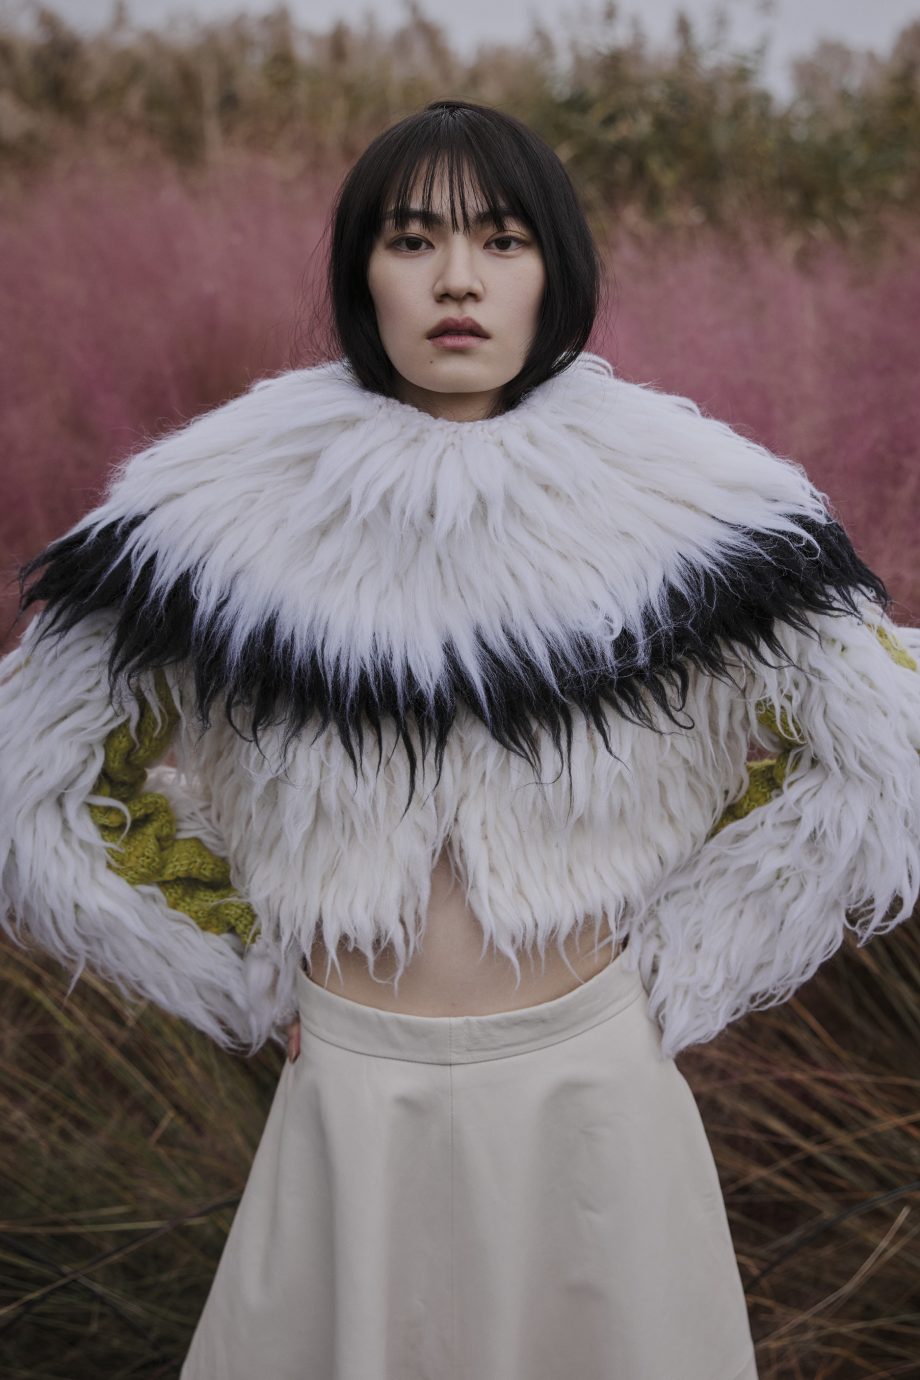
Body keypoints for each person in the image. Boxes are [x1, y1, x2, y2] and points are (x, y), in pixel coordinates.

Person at [2, 98, 919, 1380]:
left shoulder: (693, 507)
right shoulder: (216, 519)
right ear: (360, 271)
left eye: (500, 239)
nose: (455, 281)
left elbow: (874, 746)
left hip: (593, 1087)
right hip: (347, 1090)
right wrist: (238, 960)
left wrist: (692, 940)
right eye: (410, 238)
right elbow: (41, 773)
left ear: (555, 268)